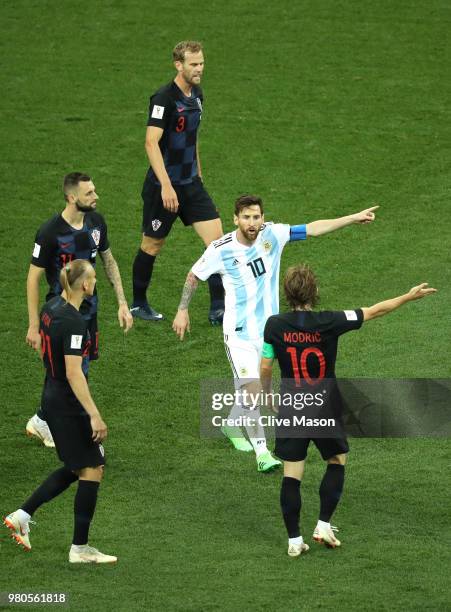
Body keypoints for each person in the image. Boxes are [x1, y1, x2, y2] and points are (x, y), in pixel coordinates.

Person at [172, 194, 379, 472]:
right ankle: (262, 453)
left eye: (256, 216)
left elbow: (313, 228)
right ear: (235, 219)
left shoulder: (273, 235)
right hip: (240, 335)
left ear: (262, 217)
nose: (252, 222)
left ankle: (232, 425)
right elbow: (194, 276)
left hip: (271, 333)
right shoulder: (220, 249)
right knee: (252, 391)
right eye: (246, 217)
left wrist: (351, 218)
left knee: (249, 392)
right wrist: (182, 310)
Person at [260, 264, 437, 557]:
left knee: (292, 474)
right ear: (314, 292)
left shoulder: (274, 325)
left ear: (287, 294)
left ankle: (294, 541)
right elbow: (374, 311)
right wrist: (407, 296)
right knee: (336, 459)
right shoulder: (331, 320)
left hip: (292, 407)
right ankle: (323, 525)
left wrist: (268, 396)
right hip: (324, 407)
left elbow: (266, 365)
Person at [5, 260, 117, 563]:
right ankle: (80, 549)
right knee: (93, 467)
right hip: (68, 403)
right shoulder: (74, 322)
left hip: (51, 394)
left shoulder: (51, 307)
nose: (95, 282)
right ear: (84, 284)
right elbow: (74, 372)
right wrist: (94, 413)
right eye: (92, 278)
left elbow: (43, 348)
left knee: (76, 465)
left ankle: (22, 515)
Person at [25, 172, 133, 448]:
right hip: (60, 315)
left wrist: (122, 302)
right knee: (71, 370)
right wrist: (32, 325)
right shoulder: (50, 232)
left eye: (94, 191)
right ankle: (75, 428)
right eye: (89, 193)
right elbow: (33, 278)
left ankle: (43, 419)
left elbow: (108, 261)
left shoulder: (96, 222)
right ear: (72, 197)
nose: (96, 197)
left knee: (72, 370)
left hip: (88, 313)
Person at [130, 40, 225, 323]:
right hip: (163, 187)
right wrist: (167, 186)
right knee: (152, 244)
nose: (199, 69)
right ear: (178, 65)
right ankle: (138, 304)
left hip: (190, 184)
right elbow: (150, 143)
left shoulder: (197, 94)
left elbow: (192, 136)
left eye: (202, 63)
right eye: (193, 64)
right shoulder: (164, 99)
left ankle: (218, 308)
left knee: (217, 243)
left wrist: (198, 170)